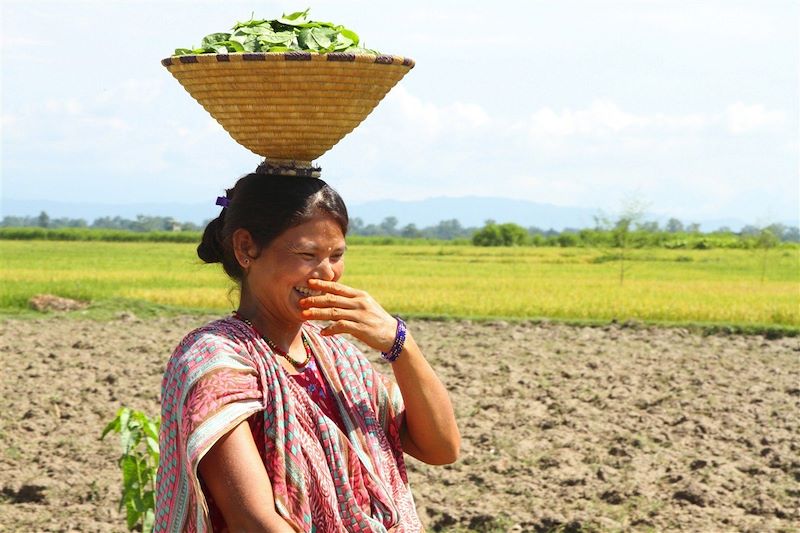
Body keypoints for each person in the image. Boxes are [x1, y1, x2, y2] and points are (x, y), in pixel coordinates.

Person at [155, 171, 460, 532]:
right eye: (307, 254)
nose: (326, 274)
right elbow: (254, 521)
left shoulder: (336, 356)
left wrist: (401, 345)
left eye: (336, 255)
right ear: (246, 248)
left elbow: (440, 448)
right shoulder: (216, 361)